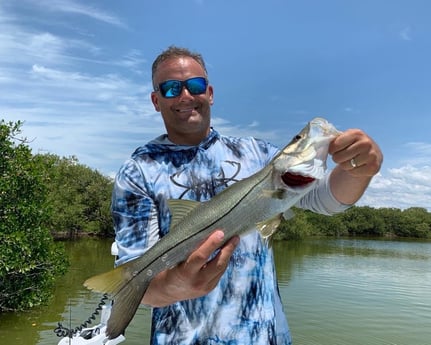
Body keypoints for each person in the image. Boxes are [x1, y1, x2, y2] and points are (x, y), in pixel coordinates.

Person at [112, 45, 383, 345]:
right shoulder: (138, 170)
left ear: (210, 93)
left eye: (195, 85)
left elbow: (327, 200)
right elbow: (140, 284)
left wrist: (359, 171)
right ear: (156, 100)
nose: (185, 96)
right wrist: (175, 286)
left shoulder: (259, 154)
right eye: (171, 88)